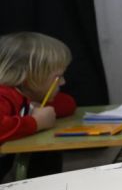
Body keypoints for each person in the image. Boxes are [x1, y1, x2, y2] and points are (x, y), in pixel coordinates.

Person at [0, 31, 78, 180]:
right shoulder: (3, 95)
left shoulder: (27, 94)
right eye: (58, 77)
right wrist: (36, 122)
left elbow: (68, 104)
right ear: (30, 77)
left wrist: (39, 109)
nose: (63, 82)